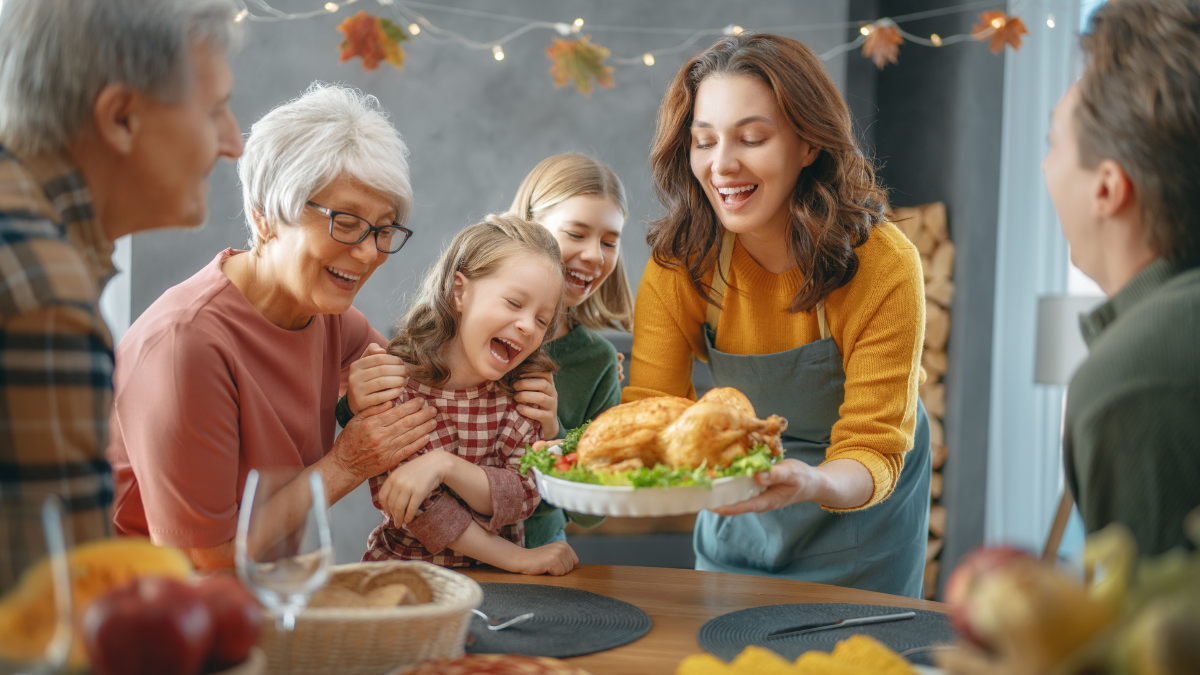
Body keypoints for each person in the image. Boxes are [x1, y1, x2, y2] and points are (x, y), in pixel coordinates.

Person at [625, 33, 931, 596]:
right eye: (704, 141)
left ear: (808, 143)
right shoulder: (682, 264)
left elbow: (871, 446)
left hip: (860, 521)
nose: (722, 165)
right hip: (740, 514)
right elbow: (652, 412)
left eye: (752, 138)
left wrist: (808, 481)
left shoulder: (883, 265)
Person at [107, 83, 439, 570]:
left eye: (383, 229)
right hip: (143, 610)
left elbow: (435, 396)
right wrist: (345, 465)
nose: (368, 252)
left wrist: (529, 391)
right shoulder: (187, 345)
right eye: (345, 222)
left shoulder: (332, 320)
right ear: (265, 217)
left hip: (262, 593)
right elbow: (205, 560)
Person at [0, 0, 242, 546]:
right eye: (214, 111)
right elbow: (51, 607)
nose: (233, 144)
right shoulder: (44, 296)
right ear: (121, 118)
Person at [1044, 0, 1200, 555]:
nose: (1046, 168)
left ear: (1106, 188)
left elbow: (1151, 638)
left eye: (1054, 142)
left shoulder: (1133, 383)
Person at [348, 214, 577, 575]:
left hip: (502, 587)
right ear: (460, 291)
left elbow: (522, 495)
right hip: (408, 578)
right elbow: (419, 508)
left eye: (542, 320)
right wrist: (517, 559)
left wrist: (446, 467)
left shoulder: (523, 395)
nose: (526, 326)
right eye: (515, 303)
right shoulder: (397, 388)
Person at [507, 153, 632, 548]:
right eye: (576, 234)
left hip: (540, 554)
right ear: (529, 226)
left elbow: (593, 513)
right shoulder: (461, 327)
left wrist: (556, 431)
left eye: (609, 241)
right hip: (439, 552)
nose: (595, 255)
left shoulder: (597, 362)